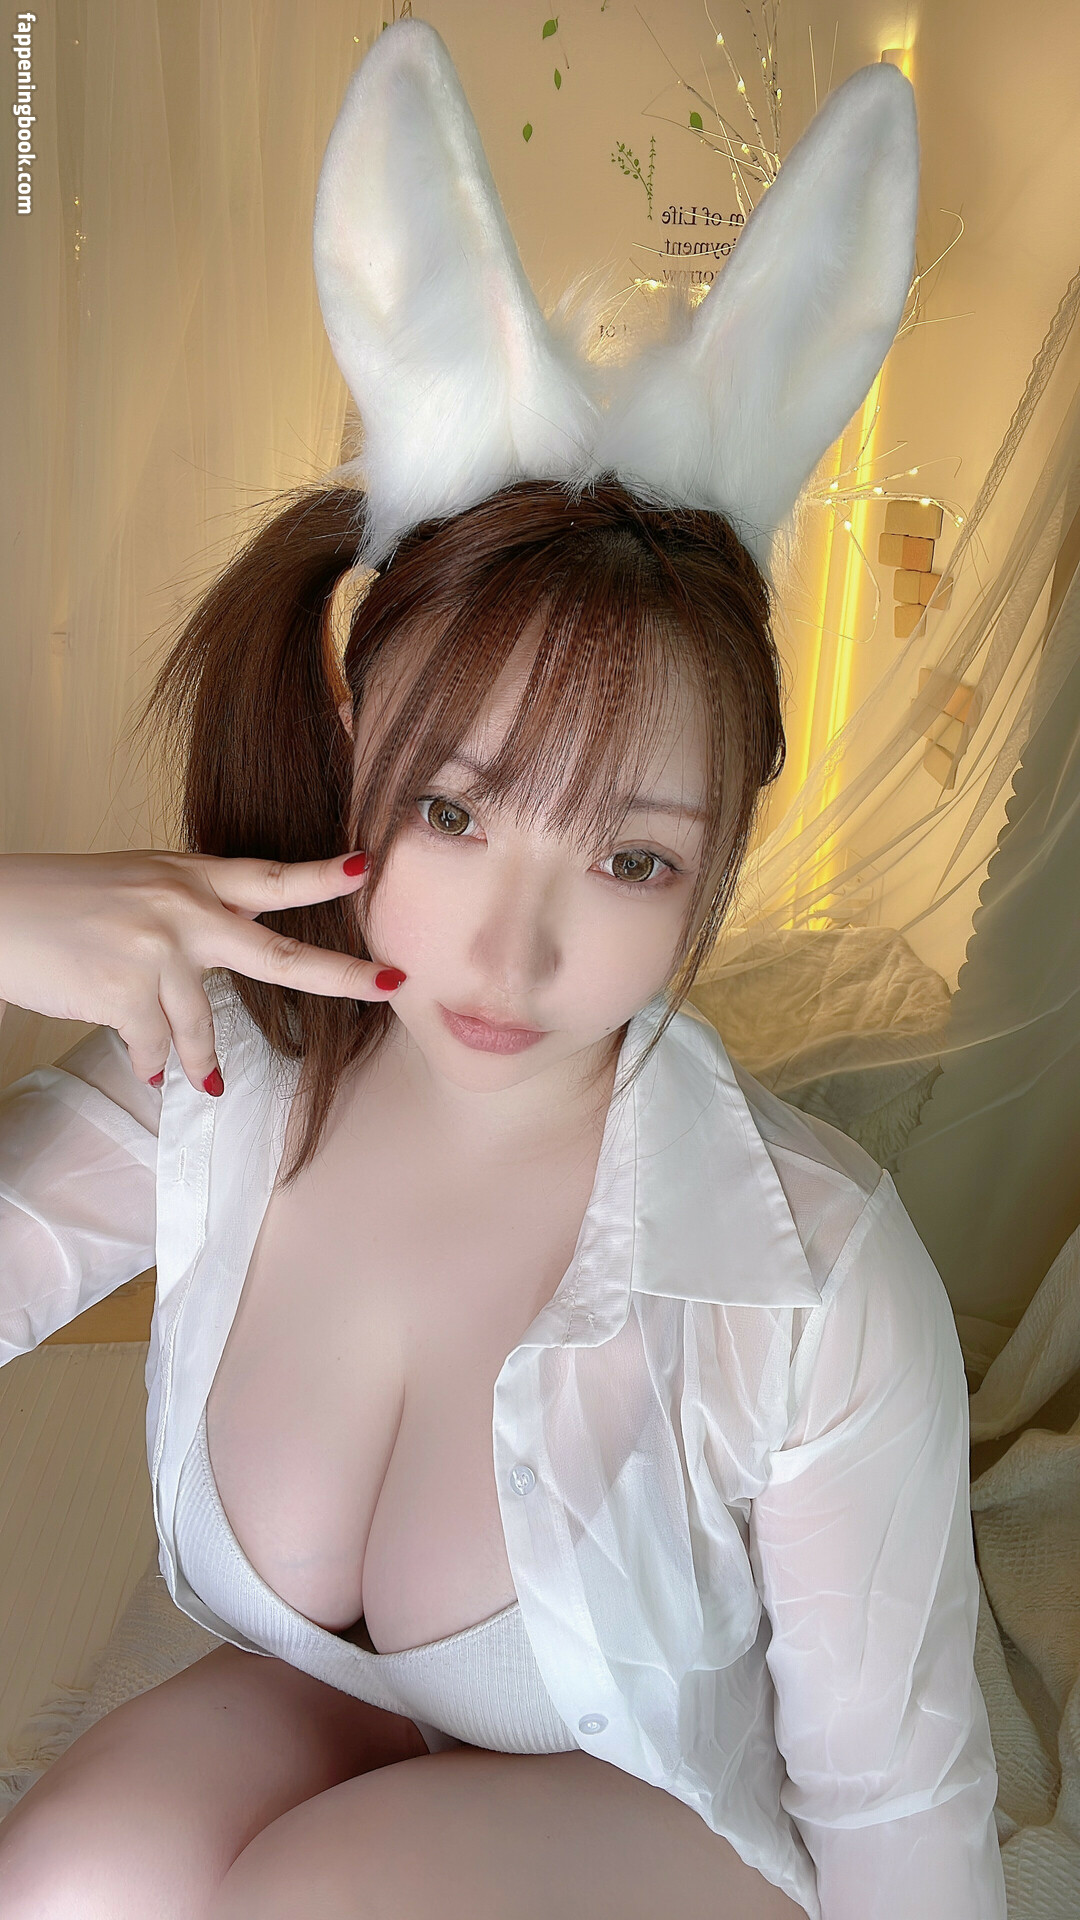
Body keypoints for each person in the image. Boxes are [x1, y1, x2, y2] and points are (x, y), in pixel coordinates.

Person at [0, 19, 1006, 1920]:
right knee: (74, 1875)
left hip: (666, 1836)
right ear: (352, 731)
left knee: (327, 1894)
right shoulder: (213, 1077)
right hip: (342, 1730)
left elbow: (899, 1800)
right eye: (456, 812)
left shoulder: (804, 1276)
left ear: (724, 852)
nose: (514, 947)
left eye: (632, 859)